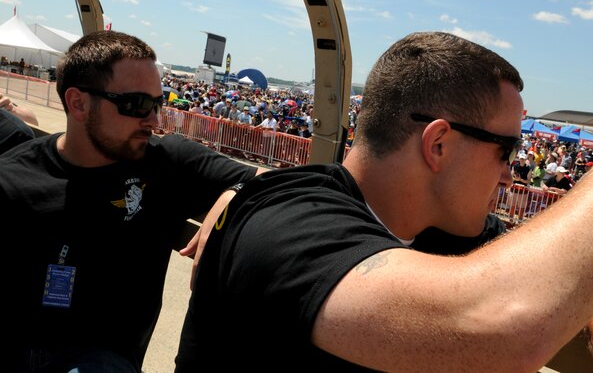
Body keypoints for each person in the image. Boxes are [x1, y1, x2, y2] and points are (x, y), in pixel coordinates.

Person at [175, 32, 593, 372]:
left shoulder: (444, 229)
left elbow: (544, 274)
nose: (509, 174)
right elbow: (504, 328)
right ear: (439, 145)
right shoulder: (289, 223)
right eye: (506, 151)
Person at [1, 30, 266, 372]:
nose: (154, 120)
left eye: (158, 103)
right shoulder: (12, 177)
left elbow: (284, 182)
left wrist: (236, 191)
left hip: (100, 359)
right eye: (137, 104)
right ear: (78, 103)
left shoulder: (168, 162)